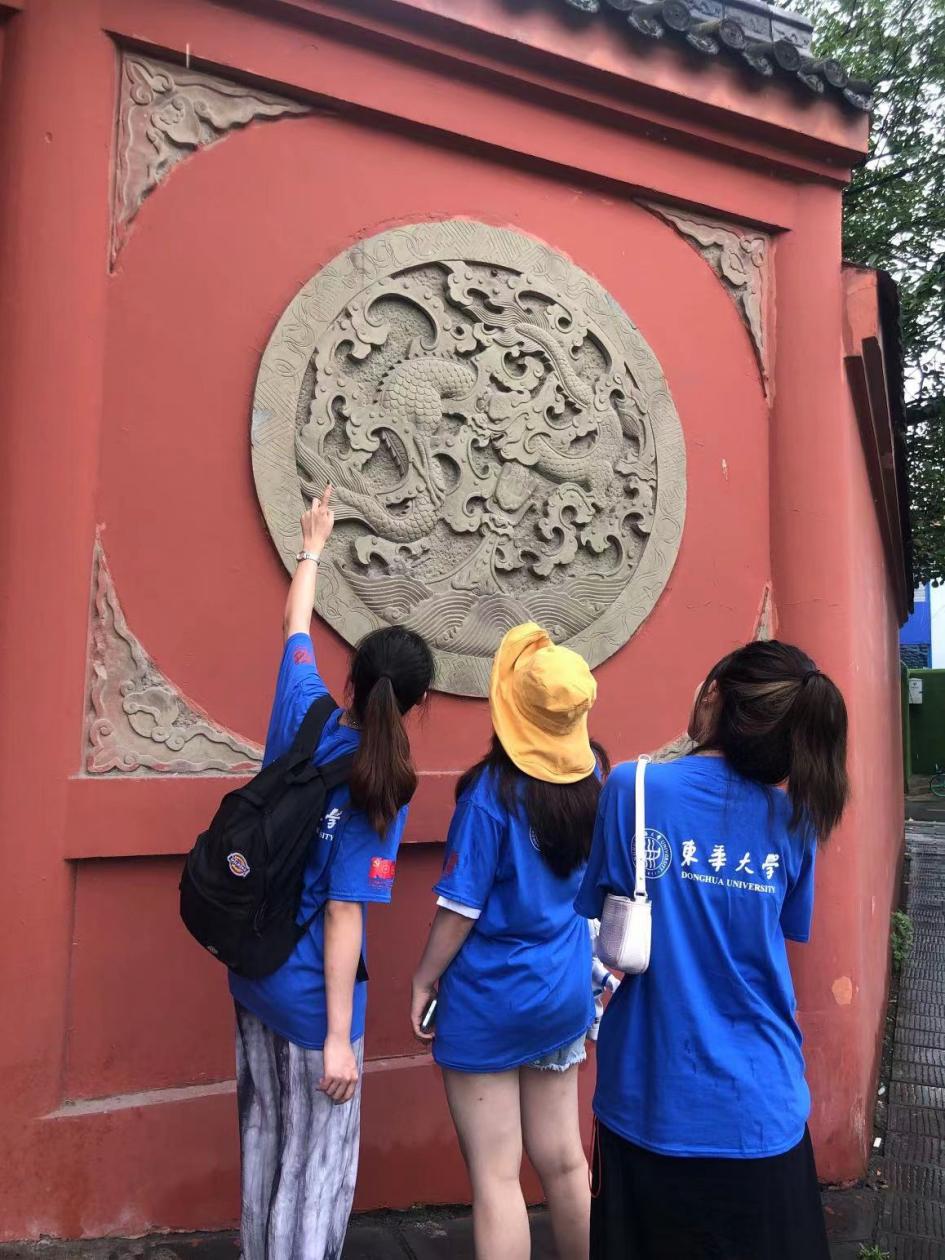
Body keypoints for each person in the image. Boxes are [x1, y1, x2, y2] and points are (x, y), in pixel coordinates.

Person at [576, 640, 849, 1260]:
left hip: (650, 1098)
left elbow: (598, 907)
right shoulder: (798, 818)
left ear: (715, 696)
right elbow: (782, 932)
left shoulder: (633, 788)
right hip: (764, 1107)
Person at [229, 486, 435, 1260]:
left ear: (351, 677)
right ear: (415, 702)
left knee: (264, 1142)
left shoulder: (303, 708)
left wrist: (312, 547)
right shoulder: (383, 782)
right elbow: (346, 911)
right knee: (314, 1175)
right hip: (312, 999)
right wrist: (340, 1039)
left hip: (252, 967)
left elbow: (294, 627)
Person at [411, 622, 609, 1260]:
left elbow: (459, 910)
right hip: (563, 990)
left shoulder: (489, 796)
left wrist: (423, 980)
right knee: (566, 1162)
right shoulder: (596, 774)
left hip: (490, 998)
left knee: (497, 1177)